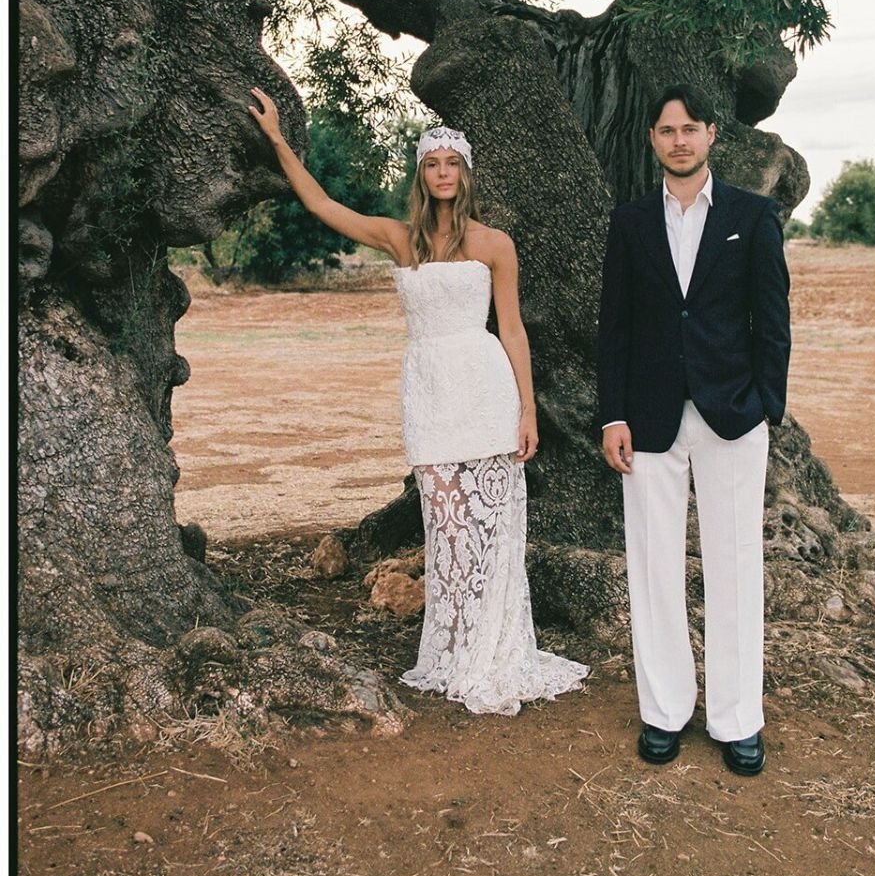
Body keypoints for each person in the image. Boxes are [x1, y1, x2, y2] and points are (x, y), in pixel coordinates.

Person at [248, 91, 588, 716]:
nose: (442, 174)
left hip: (486, 388)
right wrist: (277, 140)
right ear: (421, 174)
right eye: (431, 163)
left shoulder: (494, 244)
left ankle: (495, 650)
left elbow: (512, 330)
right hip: (430, 391)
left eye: (451, 163)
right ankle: (456, 651)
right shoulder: (401, 239)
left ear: (465, 173)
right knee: (446, 528)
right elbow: (323, 205)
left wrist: (527, 410)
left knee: (491, 529)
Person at [597, 84, 790, 776]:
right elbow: (613, 327)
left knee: (735, 563)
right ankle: (663, 712)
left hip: (732, 415)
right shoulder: (629, 222)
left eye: (689, 128)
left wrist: (768, 402)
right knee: (652, 565)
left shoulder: (752, 215)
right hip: (647, 418)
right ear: (652, 139)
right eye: (665, 129)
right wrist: (612, 414)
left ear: (711, 134)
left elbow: (772, 318)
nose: (677, 139)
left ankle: (738, 720)